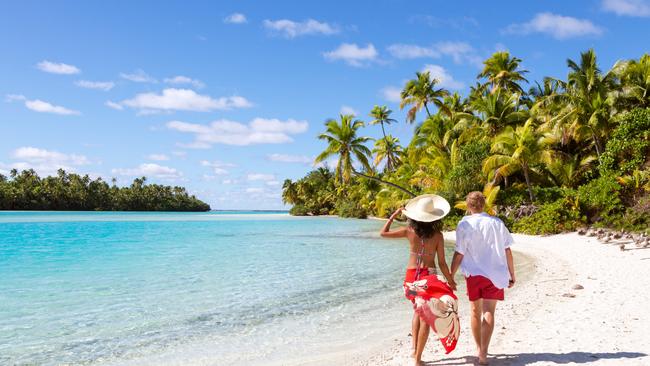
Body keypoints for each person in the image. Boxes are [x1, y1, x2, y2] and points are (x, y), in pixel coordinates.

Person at [380, 194, 456, 366]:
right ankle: (418, 359)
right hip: (429, 277)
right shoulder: (438, 235)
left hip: (411, 277)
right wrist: (451, 281)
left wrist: (394, 215)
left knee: (418, 311)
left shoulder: (409, 231)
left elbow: (383, 233)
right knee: (425, 317)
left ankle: (415, 350)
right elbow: (442, 263)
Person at [450, 191, 516, 365]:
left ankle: (478, 348)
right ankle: (484, 354)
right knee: (489, 312)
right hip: (495, 274)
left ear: (468, 206)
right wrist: (512, 273)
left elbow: (459, 253)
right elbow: (507, 250)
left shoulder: (464, 224)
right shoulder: (497, 223)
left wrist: (450, 274)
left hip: (473, 275)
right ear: (484, 204)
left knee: (474, 311)